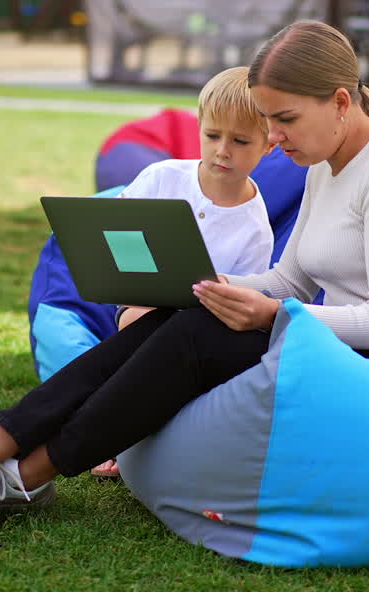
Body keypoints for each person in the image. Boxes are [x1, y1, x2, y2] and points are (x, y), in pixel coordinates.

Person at [0, 20, 369, 532]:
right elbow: (291, 279)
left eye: (284, 120)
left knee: (196, 336)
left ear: (341, 103)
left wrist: (271, 314)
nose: (273, 137)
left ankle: (11, 476)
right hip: (335, 343)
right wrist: (205, 284)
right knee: (180, 312)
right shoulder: (326, 164)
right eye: (268, 120)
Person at [94, 66, 275, 479]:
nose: (222, 151)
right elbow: (115, 234)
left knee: (172, 347)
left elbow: (239, 309)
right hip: (139, 304)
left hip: (197, 332)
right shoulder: (163, 177)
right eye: (212, 136)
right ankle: (119, 433)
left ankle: (137, 437)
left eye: (240, 141)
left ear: (268, 146)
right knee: (141, 327)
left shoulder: (255, 229)